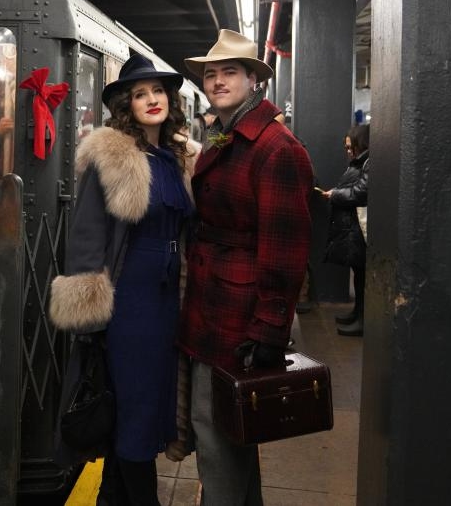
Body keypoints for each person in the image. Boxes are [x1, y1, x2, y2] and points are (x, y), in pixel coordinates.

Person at [49, 52, 195, 506]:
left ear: (170, 100)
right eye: (139, 94)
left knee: (148, 404)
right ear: (125, 106)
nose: (151, 100)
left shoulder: (176, 156)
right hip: (130, 302)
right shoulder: (112, 156)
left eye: (157, 92)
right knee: (134, 406)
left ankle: (113, 497)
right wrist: (91, 319)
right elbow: (89, 234)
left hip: (168, 299)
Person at [177, 29, 314, 506]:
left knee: (215, 435)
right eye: (211, 74)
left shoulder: (276, 149)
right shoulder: (232, 135)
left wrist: (270, 330)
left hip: (237, 316)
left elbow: (286, 251)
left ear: (255, 80)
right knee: (233, 432)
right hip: (215, 304)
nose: (217, 81)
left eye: (228, 72)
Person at [320, 123, 370, 336]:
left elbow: (361, 192)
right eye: (347, 148)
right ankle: (357, 314)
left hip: (361, 227)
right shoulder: (362, 162)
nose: (349, 152)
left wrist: (336, 194)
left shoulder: (368, 162)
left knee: (363, 276)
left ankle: (362, 319)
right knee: (358, 275)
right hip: (355, 226)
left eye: (352, 147)